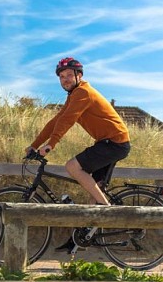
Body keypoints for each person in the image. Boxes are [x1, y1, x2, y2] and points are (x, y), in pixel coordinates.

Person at [26, 57, 131, 251]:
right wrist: (34, 145)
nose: (65, 79)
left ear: (79, 75)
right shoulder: (74, 95)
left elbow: (67, 121)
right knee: (94, 193)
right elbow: (56, 121)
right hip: (108, 143)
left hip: (114, 143)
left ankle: (107, 210)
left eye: (68, 75)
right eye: (61, 77)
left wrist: (51, 145)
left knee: (72, 166)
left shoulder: (83, 92)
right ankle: (82, 239)